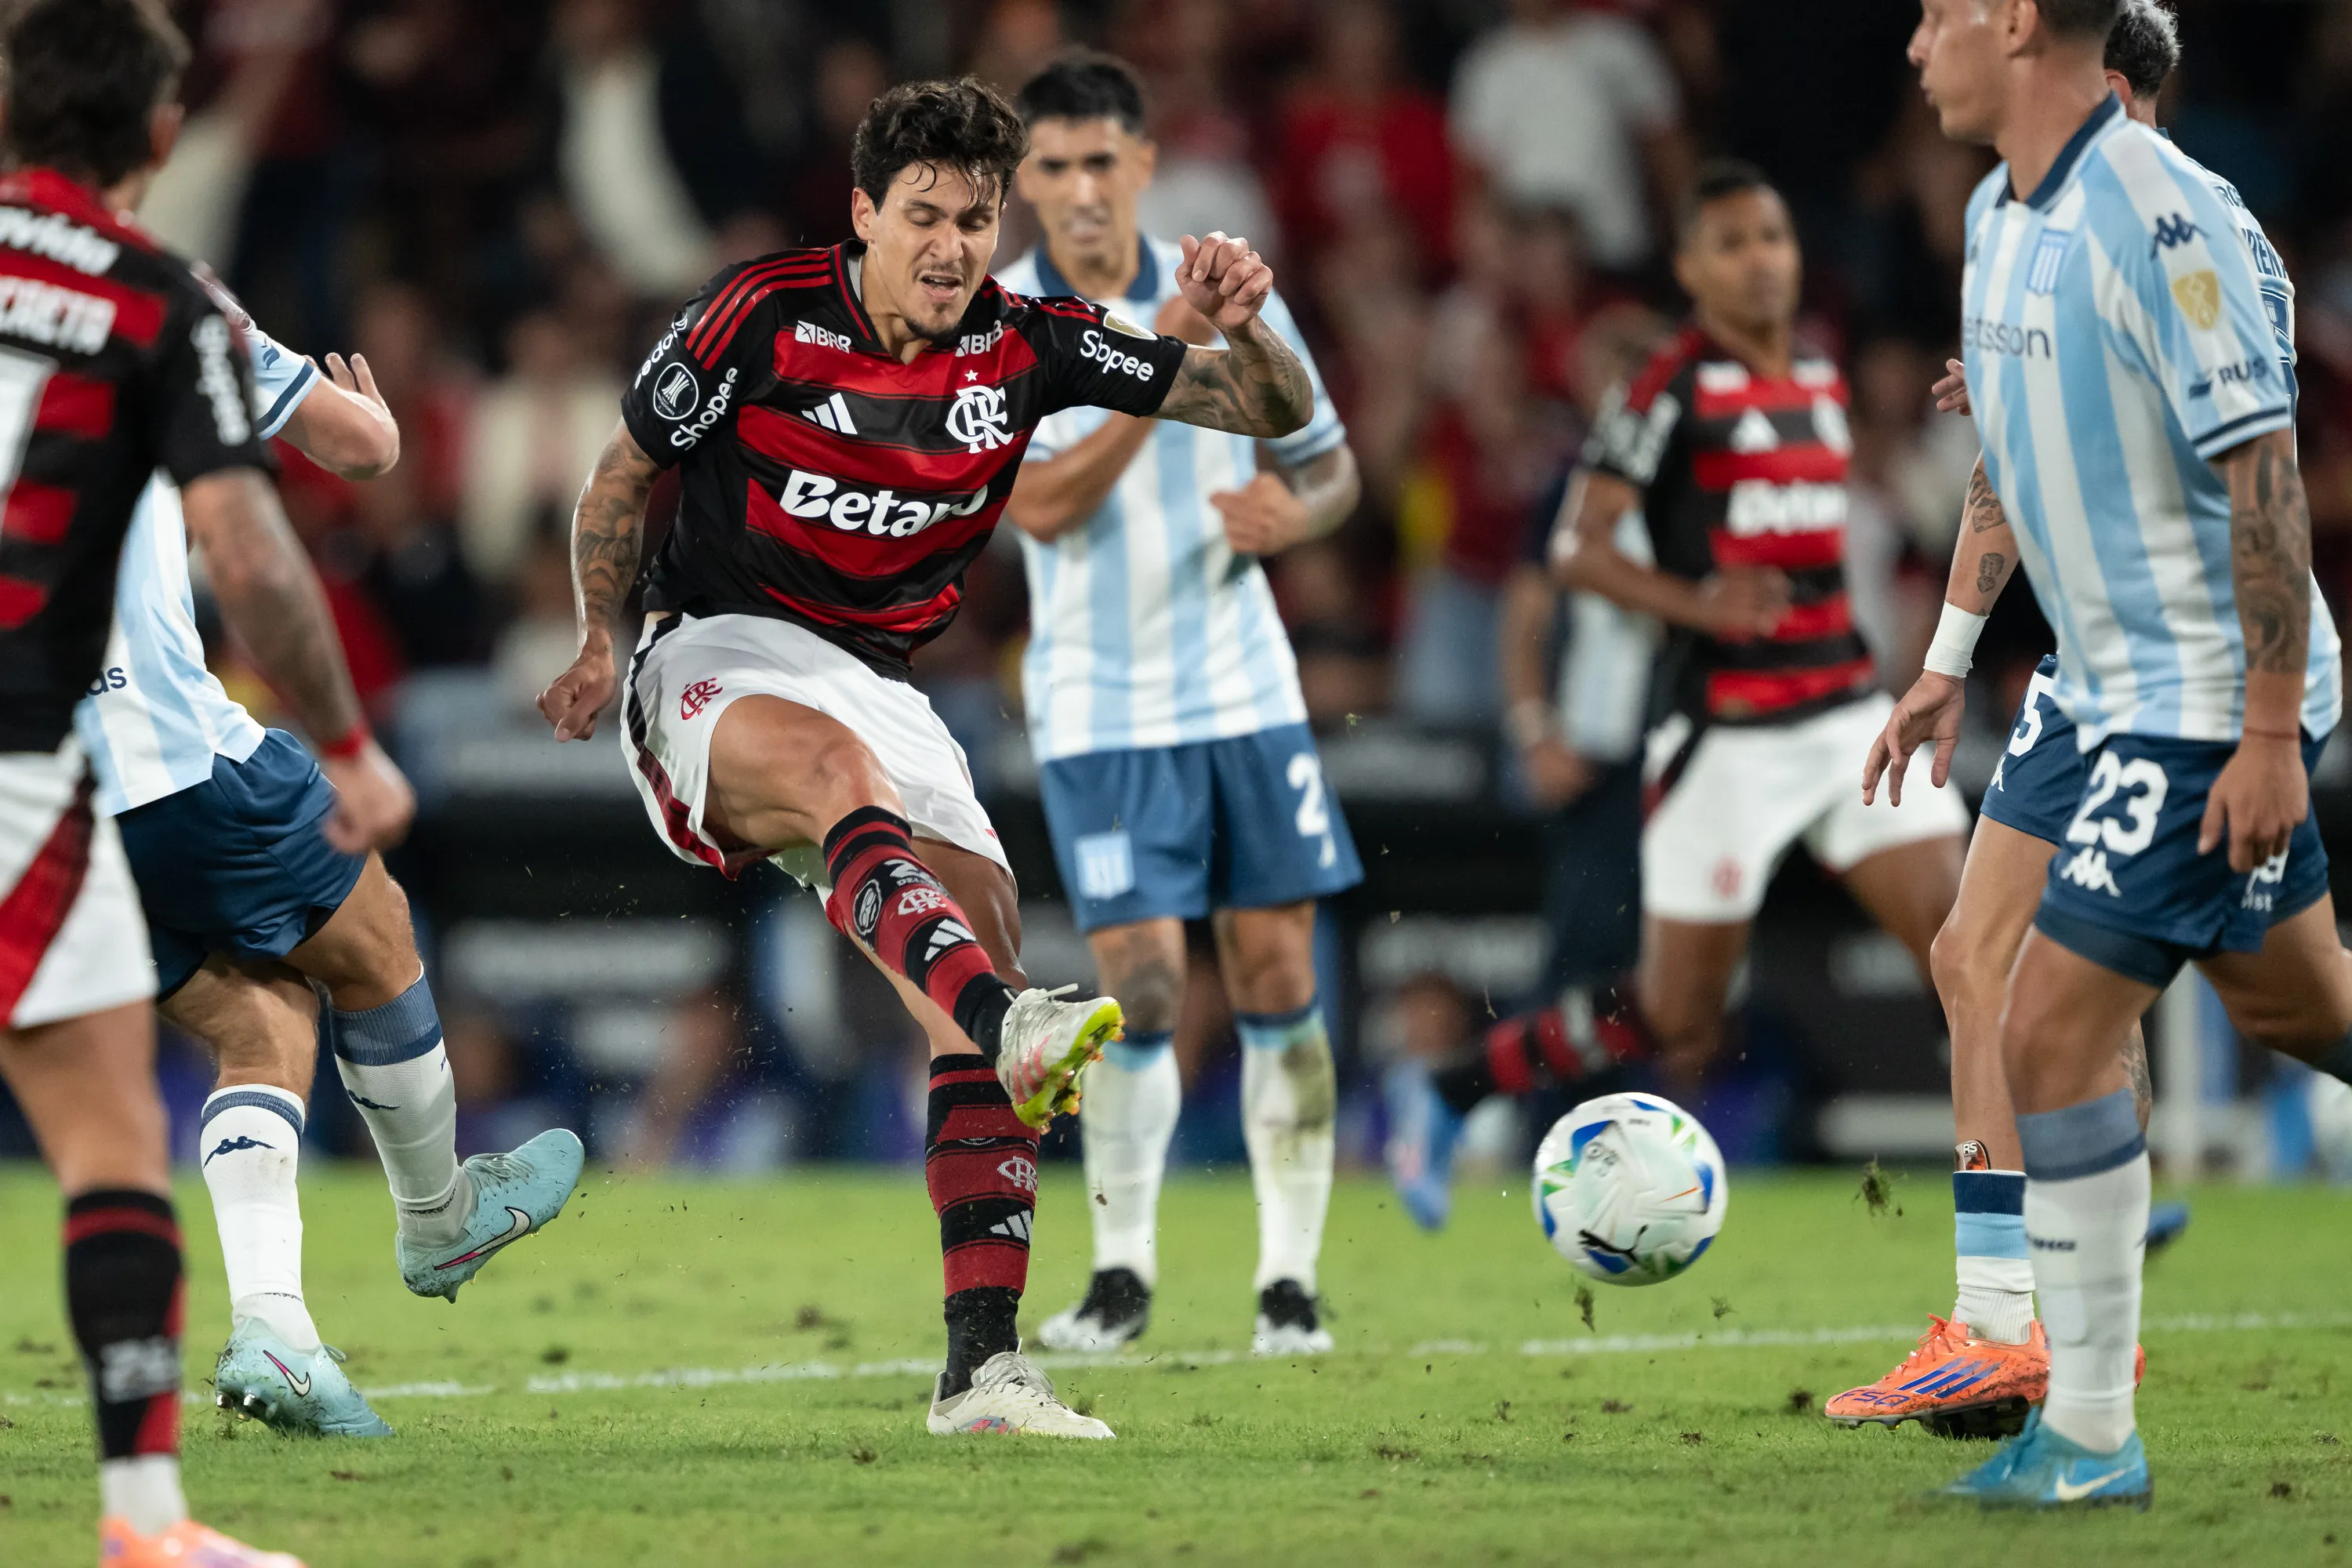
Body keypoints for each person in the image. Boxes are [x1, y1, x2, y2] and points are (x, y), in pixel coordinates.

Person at [535, 75, 1317, 1438]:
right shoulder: (760, 314)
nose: (953, 244)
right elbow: (621, 474)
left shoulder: (1031, 342)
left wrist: (1254, 331)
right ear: (862, 215)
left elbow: (1262, 412)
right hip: (713, 648)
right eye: (924, 216)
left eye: (975, 215)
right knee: (861, 804)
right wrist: (601, 638)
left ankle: (983, 1370)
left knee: (986, 940)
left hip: (881, 684)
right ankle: (1010, 1023)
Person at [1842, 0, 2352, 1442]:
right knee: (2000, 961)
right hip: (2096, 667)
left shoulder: (2171, 223)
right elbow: (2008, 457)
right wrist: (1947, 659)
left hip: (2202, 680)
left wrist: (2264, 732)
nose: (1911, 42)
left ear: (2029, 35)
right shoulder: (1999, 218)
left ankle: (2075, 1397)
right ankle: (2003, 1331)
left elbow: (2265, 476)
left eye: (1938, 13)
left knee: (2063, 1013)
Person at [0, 1, 387, 1560]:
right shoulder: (148, 298)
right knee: (110, 1137)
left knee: (243, 1022)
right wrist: (347, 740)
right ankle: (146, 1519)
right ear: (161, 138)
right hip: (39, 769)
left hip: (68, 774)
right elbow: (262, 538)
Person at [77, 286, 586, 1440]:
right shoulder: (146, 288)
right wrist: (376, 423)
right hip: (165, 749)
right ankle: (440, 1213)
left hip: (37, 803)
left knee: (260, 1018)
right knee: (377, 933)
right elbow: (356, 448)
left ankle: (277, 1334)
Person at [996, 51, 1363, 1356]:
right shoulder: (1005, 324)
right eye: (1055, 167)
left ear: (1145, 165)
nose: (1083, 190)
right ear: (1022, 184)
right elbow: (1037, 504)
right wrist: (1165, 355)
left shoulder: (1224, 286)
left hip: (1241, 686)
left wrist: (1294, 507)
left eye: (1105, 161)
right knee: (1143, 990)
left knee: (1274, 972)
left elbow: (1329, 463)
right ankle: (1124, 1277)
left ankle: (1289, 1284)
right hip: (1097, 705)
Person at [1548, 162, 1973, 1089]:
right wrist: (1697, 601)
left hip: (1844, 711)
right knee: (1675, 1016)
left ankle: (2054, 1196)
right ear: (1690, 269)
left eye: (1771, 237)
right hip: (1725, 731)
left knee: (1970, 953)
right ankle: (1464, 1083)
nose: (1758, 261)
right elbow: (1575, 549)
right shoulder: (1662, 383)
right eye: (1730, 244)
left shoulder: (1820, 367)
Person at [1384, 462, 1654, 1229]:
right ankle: (1551, 1151)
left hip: (1695, 755)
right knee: (1597, 968)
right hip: (1609, 761)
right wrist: (1535, 726)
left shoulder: (1718, 469)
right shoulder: (1582, 477)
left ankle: (1482, 1103)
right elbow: (1528, 603)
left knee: (1663, 994)